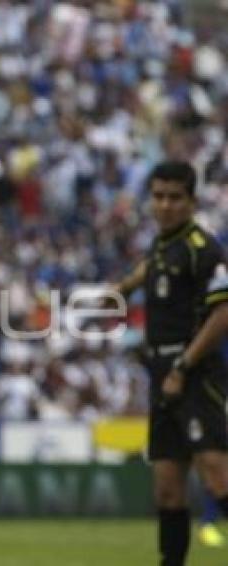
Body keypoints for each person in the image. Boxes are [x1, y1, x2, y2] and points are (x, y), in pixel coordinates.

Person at [108, 161, 228, 566]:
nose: (165, 205)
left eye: (175, 197)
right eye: (158, 196)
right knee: (168, 490)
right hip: (162, 374)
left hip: (194, 373)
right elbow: (153, 268)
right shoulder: (162, 244)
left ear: (192, 201)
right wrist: (124, 286)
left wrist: (183, 368)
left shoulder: (204, 249)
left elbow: (223, 314)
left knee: (216, 473)